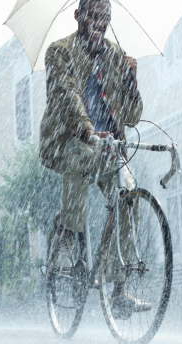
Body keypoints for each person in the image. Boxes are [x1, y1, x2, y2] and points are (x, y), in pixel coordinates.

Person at [39, 0, 150, 318]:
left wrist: (131, 82)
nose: (100, 22)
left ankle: (118, 289)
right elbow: (66, 95)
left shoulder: (115, 55)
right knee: (78, 156)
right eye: (93, 15)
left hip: (108, 148)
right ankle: (66, 236)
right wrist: (88, 131)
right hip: (70, 140)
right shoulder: (59, 52)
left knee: (129, 194)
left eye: (105, 16)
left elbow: (131, 117)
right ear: (78, 16)